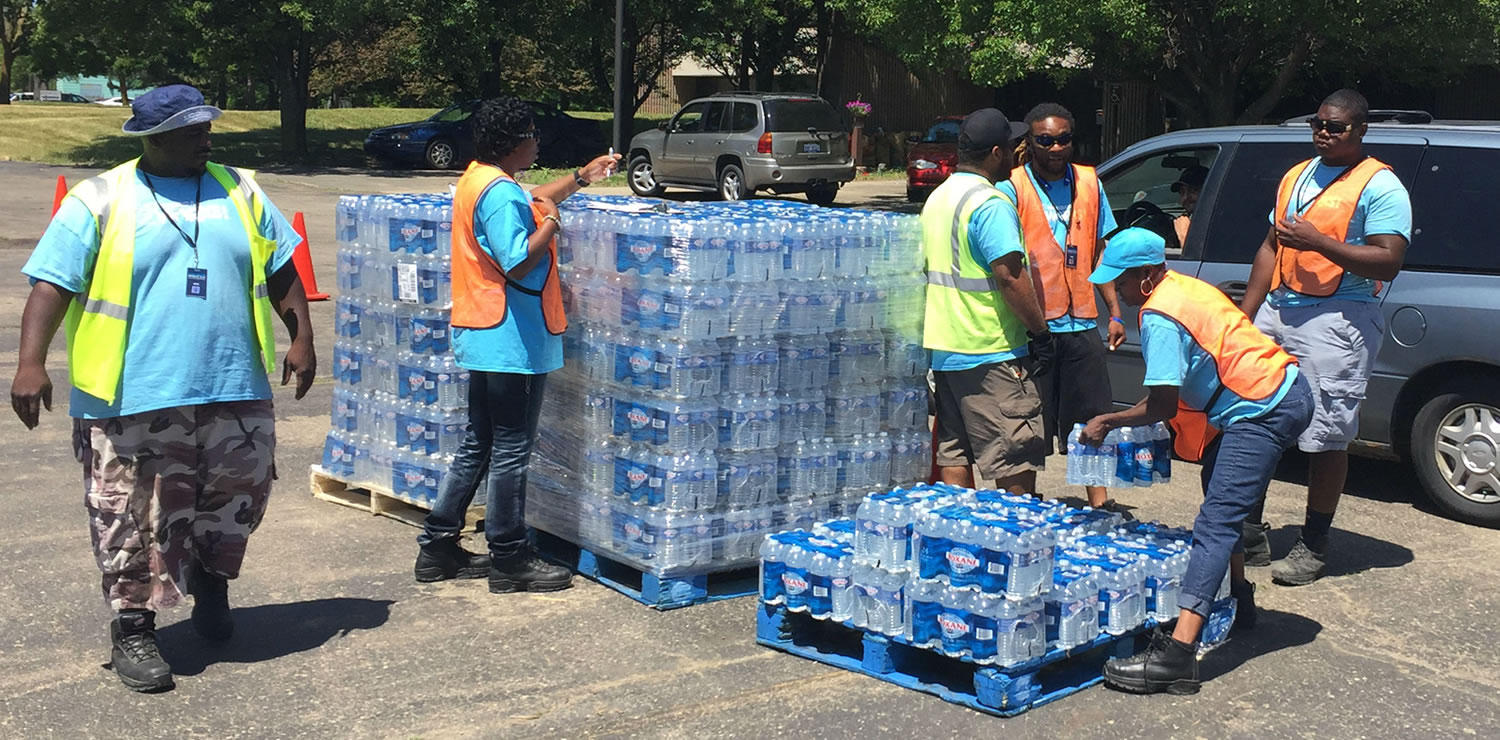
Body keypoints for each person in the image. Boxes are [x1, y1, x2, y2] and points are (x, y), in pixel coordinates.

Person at [10, 84, 316, 692]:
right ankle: (133, 626)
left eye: (207, 125)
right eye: (191, 129)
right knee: (128, 513)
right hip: (130, 392)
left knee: (237, 496)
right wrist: (30, 362)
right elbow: (50, 285)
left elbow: (280, 265)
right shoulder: (100, 198)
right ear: (153, 136)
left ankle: (210, 579)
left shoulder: (240, 188)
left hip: (232, 383)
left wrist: (301, 337)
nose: (207, 136)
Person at [1080, 228, 1313, 695]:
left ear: (1146, 276)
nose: (1118, 292)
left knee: (1216, 520)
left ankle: (1179, 656)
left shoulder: (1159, 314)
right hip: (1279, 389)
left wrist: (1110, 420)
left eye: (1122, 282)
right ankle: (1239, 598)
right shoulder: (1182, 286)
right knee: (1216, 479)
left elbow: (1163, 405)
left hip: (1263, 406)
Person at [414, 96, 620, 593]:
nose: (537, 140)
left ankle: (438, 546)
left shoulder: (479, 179)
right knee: (510, 449)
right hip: (513, 341)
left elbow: (531, 195)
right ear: (513, 143)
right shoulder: (500, 195)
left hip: (484, 333)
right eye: (532, 133)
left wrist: (580, 178)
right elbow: (516, 260)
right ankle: (509, 556)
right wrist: (553, 223)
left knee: (479, 443)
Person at [1238, 89, 1411, 585]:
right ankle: (1250, 531)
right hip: (1279, 309)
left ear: (1360, 130)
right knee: (1254, 417)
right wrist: (1246, 318)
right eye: (1318, 123)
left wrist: (1320, 242)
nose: (1323, 133)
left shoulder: (1380, 185)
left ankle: (1314, 542)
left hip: (1338, 319)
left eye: (1335, 127)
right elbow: (1271, 245)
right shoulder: (1298, 174)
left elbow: (1390, 259)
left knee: (1325, 434)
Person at [921, 108, 1056, 495]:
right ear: (997, 152)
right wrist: (1040, 334)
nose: (1018, 154)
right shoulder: (991, 203)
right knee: (1013, 454)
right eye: (1014, 146)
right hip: (991, 350)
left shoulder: (939, 198)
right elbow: (1010, 277)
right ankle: (1013, 544)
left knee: (954, 453)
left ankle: (958, 539)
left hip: (946, 350)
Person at [1001, 103, 1124, 510]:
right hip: (1035, 328)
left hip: (1082, 324)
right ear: (1030, 143)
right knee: (1031, 421)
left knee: (1092, 420)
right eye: (1046, 140)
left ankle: (1099, 505)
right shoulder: (1012, 186)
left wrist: (1115, 312)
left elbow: (1100, 251)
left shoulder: (1090, 182)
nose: (1056, 147)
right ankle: (1025, 503)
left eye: (1064, 139)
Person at [1172, 165, 1208, 246]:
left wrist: (1184, 235)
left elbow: (1194, 257)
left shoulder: (1218, 223)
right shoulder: (1188, 219)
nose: (1186, 197)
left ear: (1209, 192)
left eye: (1193, 190)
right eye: (1182, 192)